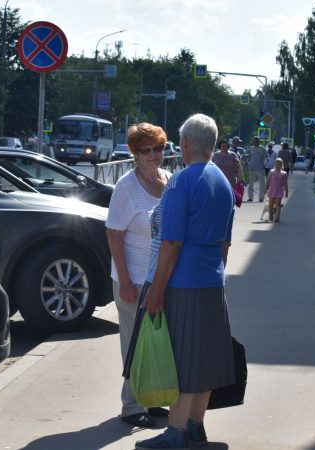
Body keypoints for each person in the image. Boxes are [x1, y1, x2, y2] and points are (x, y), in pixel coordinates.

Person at [133, 113, 236, 449]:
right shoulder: (222, 181)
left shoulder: (180, 181)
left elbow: (172, 242)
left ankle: (174, 433)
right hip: (211, 282)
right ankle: (195, 426)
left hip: (182, 284)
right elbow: (225, 243)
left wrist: (158, 290)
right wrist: (214, 275)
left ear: (187, 143)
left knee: (183, 360)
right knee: (204, 358)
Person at [106, 123, 172, 429]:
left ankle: (152, 398)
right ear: (135, 153)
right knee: (134, 343)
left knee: (155, 342)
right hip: (132, 278)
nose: (154, 155)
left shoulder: (168, 181)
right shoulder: (126, 187)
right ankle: (131, 407)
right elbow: (114, 234)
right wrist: (126, 281)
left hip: (160, 280)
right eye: (146, 150)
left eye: (158, 148)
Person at [244, 136, 267, 202]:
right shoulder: (251, 148)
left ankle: (261, 197)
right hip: (252, 168)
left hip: (260, 168)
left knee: (262, 183)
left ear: (258, 141)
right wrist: (247, 162)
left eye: (255, 141)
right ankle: (250, 197)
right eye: (253, 141)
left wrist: (264, 164)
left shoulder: (262, 148)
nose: (254, 142)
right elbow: (250, 156)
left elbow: (267, 157)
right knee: (251, 183)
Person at [265, 158, 288, 222]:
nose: (277, 165)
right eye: (276, 164)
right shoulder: (271, 172)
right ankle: (271, 215)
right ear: (274, 165)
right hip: (272, 190)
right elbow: (268, 181)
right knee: (271, 204)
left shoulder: (284, 173)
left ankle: (277, 217)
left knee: (278, 204)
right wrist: (265, 189)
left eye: (279, 164)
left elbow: (285, 183)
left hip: (279, 191)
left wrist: (286, 192)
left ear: (282, 165)